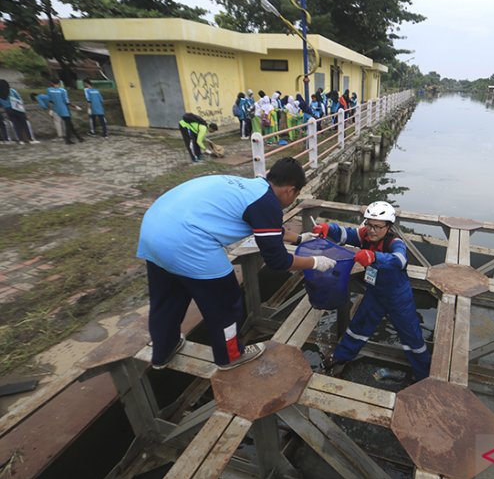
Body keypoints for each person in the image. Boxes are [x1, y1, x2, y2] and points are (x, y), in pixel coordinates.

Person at [136, 157, 337, 370]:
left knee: (168, 299)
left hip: (154, 229)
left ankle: (162, 352)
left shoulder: (251, 188)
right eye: (296, 195)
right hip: (187, 241)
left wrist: (298, 239)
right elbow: (278, 261)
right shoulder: (267, 204)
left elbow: (267, 228)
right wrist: (315, 262)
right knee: (227, 302)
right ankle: (230, 356)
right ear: (290, 190)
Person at [304, 201, 432, 381]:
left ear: (388, 227)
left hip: (397, 296)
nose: (372, 230)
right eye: (369, 225)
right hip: (375, 293)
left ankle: (424, 374)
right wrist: (328, 228)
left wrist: (374, 256)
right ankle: (339, 358)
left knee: (411, 335)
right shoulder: (365, 235)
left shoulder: (395, 243)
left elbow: (400, 260)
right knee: (358, 326)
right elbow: (347, 234)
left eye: (378, 227)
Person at [47, 78, 84, 145]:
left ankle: (79, 138)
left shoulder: (49, 90)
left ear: (52, 83)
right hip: (64, 110)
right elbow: (67, 102)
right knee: (68, 125)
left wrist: (51, 109)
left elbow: (50, 101)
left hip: (57, 109)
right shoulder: (63, 90)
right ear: (59, 83)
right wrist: (75, 106)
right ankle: (68, 139)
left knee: (69, 124)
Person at [0, 79, 36, 144]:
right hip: (17, 108)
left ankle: (20, 140)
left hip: (8, 110)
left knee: (16, 125)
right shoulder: (12, 91)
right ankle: (30, 139)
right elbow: (19, 99)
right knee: (24, 124)